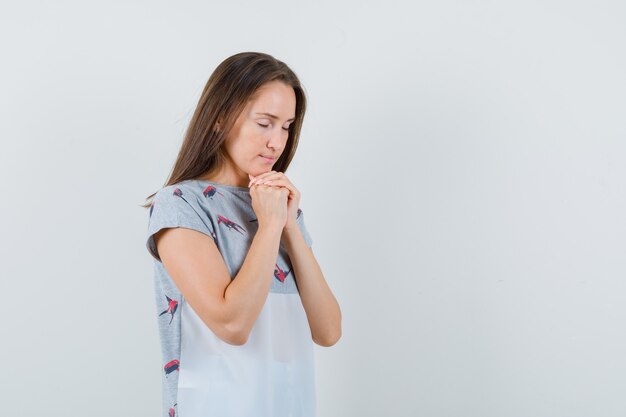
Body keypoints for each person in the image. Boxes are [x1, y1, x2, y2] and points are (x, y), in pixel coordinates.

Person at [142, 52, 341, 417]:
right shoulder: (181, 204)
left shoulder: (276, 206)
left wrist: (289, 227)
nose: (276, 142)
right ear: (220, 119)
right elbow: (232, 324)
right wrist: (267, 228)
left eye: (286, 126)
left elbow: (328, 331)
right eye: (265, 123)